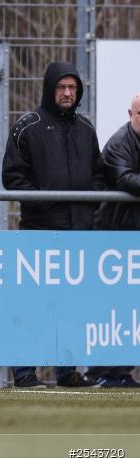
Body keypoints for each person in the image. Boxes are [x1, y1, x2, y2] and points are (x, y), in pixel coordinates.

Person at [3, 61, 103, 389]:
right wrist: (45, 203)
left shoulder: (86, 128)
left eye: (72, 88)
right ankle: (24, 373)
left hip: (79, 233)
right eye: (61, 87)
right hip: (40, 232)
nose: (67, 93)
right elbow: (13, 177)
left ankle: (67, 370)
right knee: (33, 304)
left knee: (72, 304)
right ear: (49, 89)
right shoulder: (27, 126)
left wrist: (88, 208)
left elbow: (99, 175)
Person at [90, 94, 140, 388]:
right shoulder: (120, 143)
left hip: (133, 235)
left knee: (132, 304)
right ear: (130, 113)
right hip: (113, 236)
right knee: (110, 304)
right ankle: (101, 370)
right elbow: (126, 179)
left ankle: (121, 370)